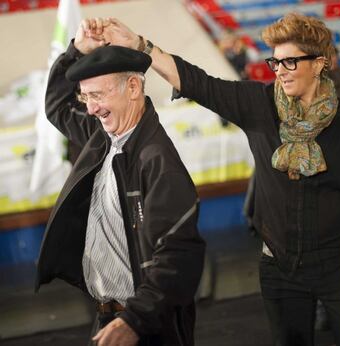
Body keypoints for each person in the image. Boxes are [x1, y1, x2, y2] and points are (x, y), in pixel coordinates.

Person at [98, 13, 340, 345]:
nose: (279, 71)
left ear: (319, 63)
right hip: (279, 268)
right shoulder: (258, 104)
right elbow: (197, 82)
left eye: (290, 62)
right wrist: (138, 44)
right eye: (275, 62)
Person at [35, 20, 205, 346]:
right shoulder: (102, 136)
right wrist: (76, 50)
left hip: (144, 325)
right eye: (86, 97)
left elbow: (179, 255)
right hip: (112, 317)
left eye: (98, 94)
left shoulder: (158, 161)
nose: (93, 108)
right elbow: (57, 106)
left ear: (133, 88)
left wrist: (134, 321)